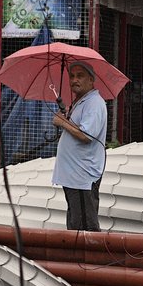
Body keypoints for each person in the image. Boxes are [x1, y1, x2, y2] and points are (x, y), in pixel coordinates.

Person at [51, 60, 107, 231]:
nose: (75, 80)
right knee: (76, 224)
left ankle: (88, 258)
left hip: (82, 176)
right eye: (72, 76)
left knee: (85, 228)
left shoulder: (94, 103)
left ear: (91, 80)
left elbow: (86, 135)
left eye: (80, 76)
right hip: (73, 176)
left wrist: (62, 122)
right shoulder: (81, 102)